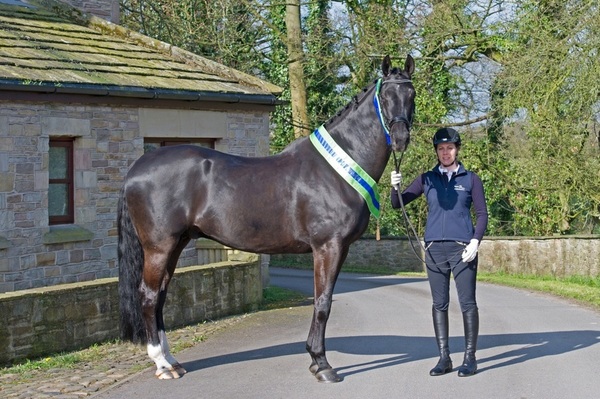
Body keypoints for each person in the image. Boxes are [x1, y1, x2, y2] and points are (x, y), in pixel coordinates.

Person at [390, 127, 488, 377]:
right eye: (441, 149)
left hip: (462, 248)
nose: (446, 153)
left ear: (457, 150)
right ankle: (444, 358)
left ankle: (470, 358)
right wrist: (394, 186)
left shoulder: (471, 179)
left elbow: (482, 214)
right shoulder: (427, 179)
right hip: (434, 249)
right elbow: (397, 203)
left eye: (450, 148)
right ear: (436, 151)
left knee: (467, 303)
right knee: (439, 304)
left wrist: (475, 241)